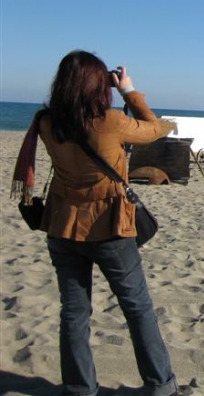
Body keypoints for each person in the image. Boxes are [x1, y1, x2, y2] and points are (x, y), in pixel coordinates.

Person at [11, 51, 183, 396]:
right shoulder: (108, 121)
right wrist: (129, 91)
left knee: (73, 313)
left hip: (61, 225)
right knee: (137, 308)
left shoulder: (46, 122)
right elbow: (157, 130)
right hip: (109, 227)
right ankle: (161, 386)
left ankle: (78, 388)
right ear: (98, 85)